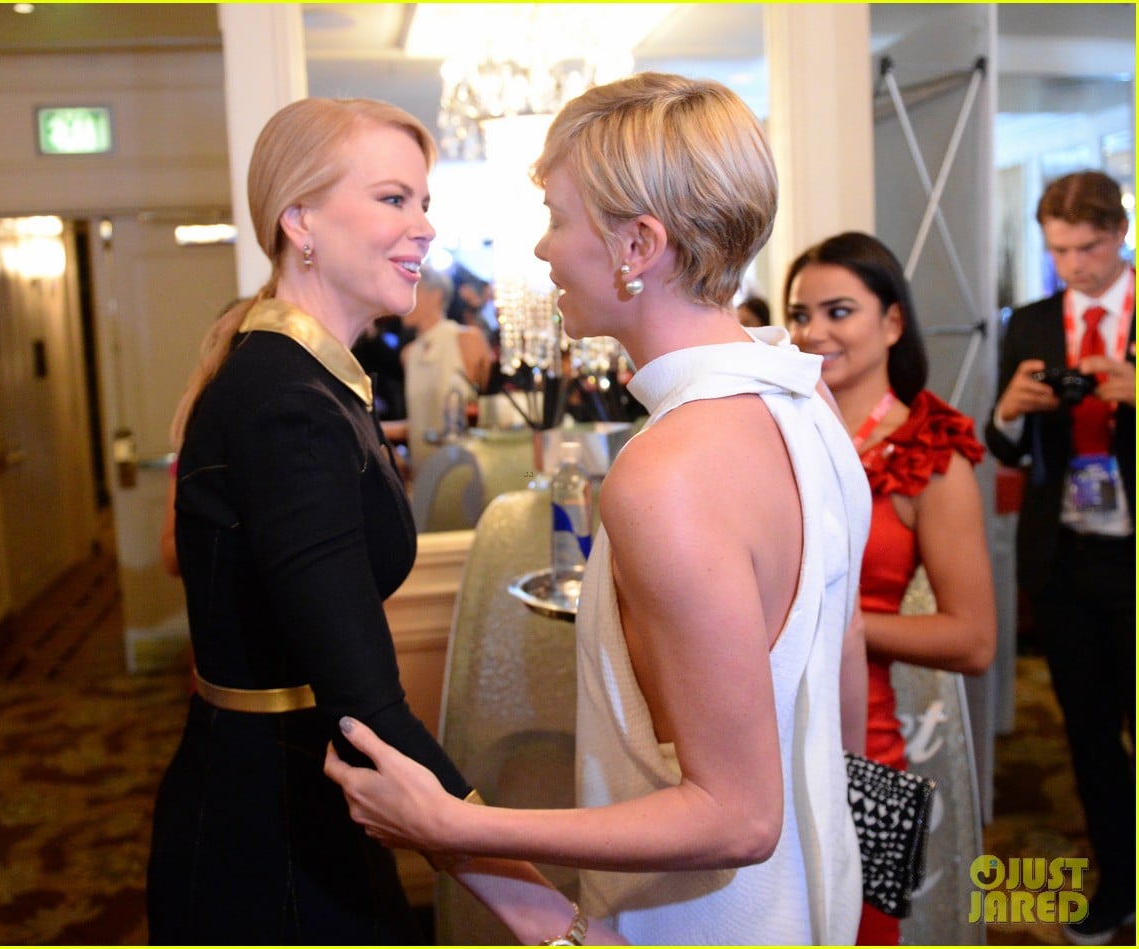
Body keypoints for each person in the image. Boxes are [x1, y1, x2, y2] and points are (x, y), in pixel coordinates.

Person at [326, 72, 870, 945]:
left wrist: (458, 828)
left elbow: (736, 818)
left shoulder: (669, 472)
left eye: (558, 219)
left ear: (638, 244)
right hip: (812, 903)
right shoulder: (808, 403)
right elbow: (840, 674)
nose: (542, 251)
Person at [146, 96, 624, 947]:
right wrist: (547, 915)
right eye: (393, 199)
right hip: (272, 834)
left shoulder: (316, 379)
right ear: (300, 220)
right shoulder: (285, 401)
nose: (425, 229)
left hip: (304, 795)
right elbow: (367, 706)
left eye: (425, 202)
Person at [785, 231, 997, 944]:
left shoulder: (929, 453)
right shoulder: (778, 435)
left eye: (838, 311)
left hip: (861, 746)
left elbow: (973, 639)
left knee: (860, 931)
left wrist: (840, 623)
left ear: (893, 321)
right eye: (799, 314)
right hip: (764, 731)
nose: (813, 332)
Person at [984, 170, 1135, 946]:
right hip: (1067, 559)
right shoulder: (1036, 321)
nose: (1071, 265)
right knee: (1088, 733)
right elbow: (1002, 445)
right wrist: (1009, 409)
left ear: (1118, 233)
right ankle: (1118, 881)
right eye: (1057, 250)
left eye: (1085, 247)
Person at [401, 265, 494, 474]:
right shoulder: (408, 355)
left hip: (465, 471)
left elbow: (486, 409)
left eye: (411, 287)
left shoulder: (467, 339)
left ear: (435, 295)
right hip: (423, 475)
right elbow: (419, 421)